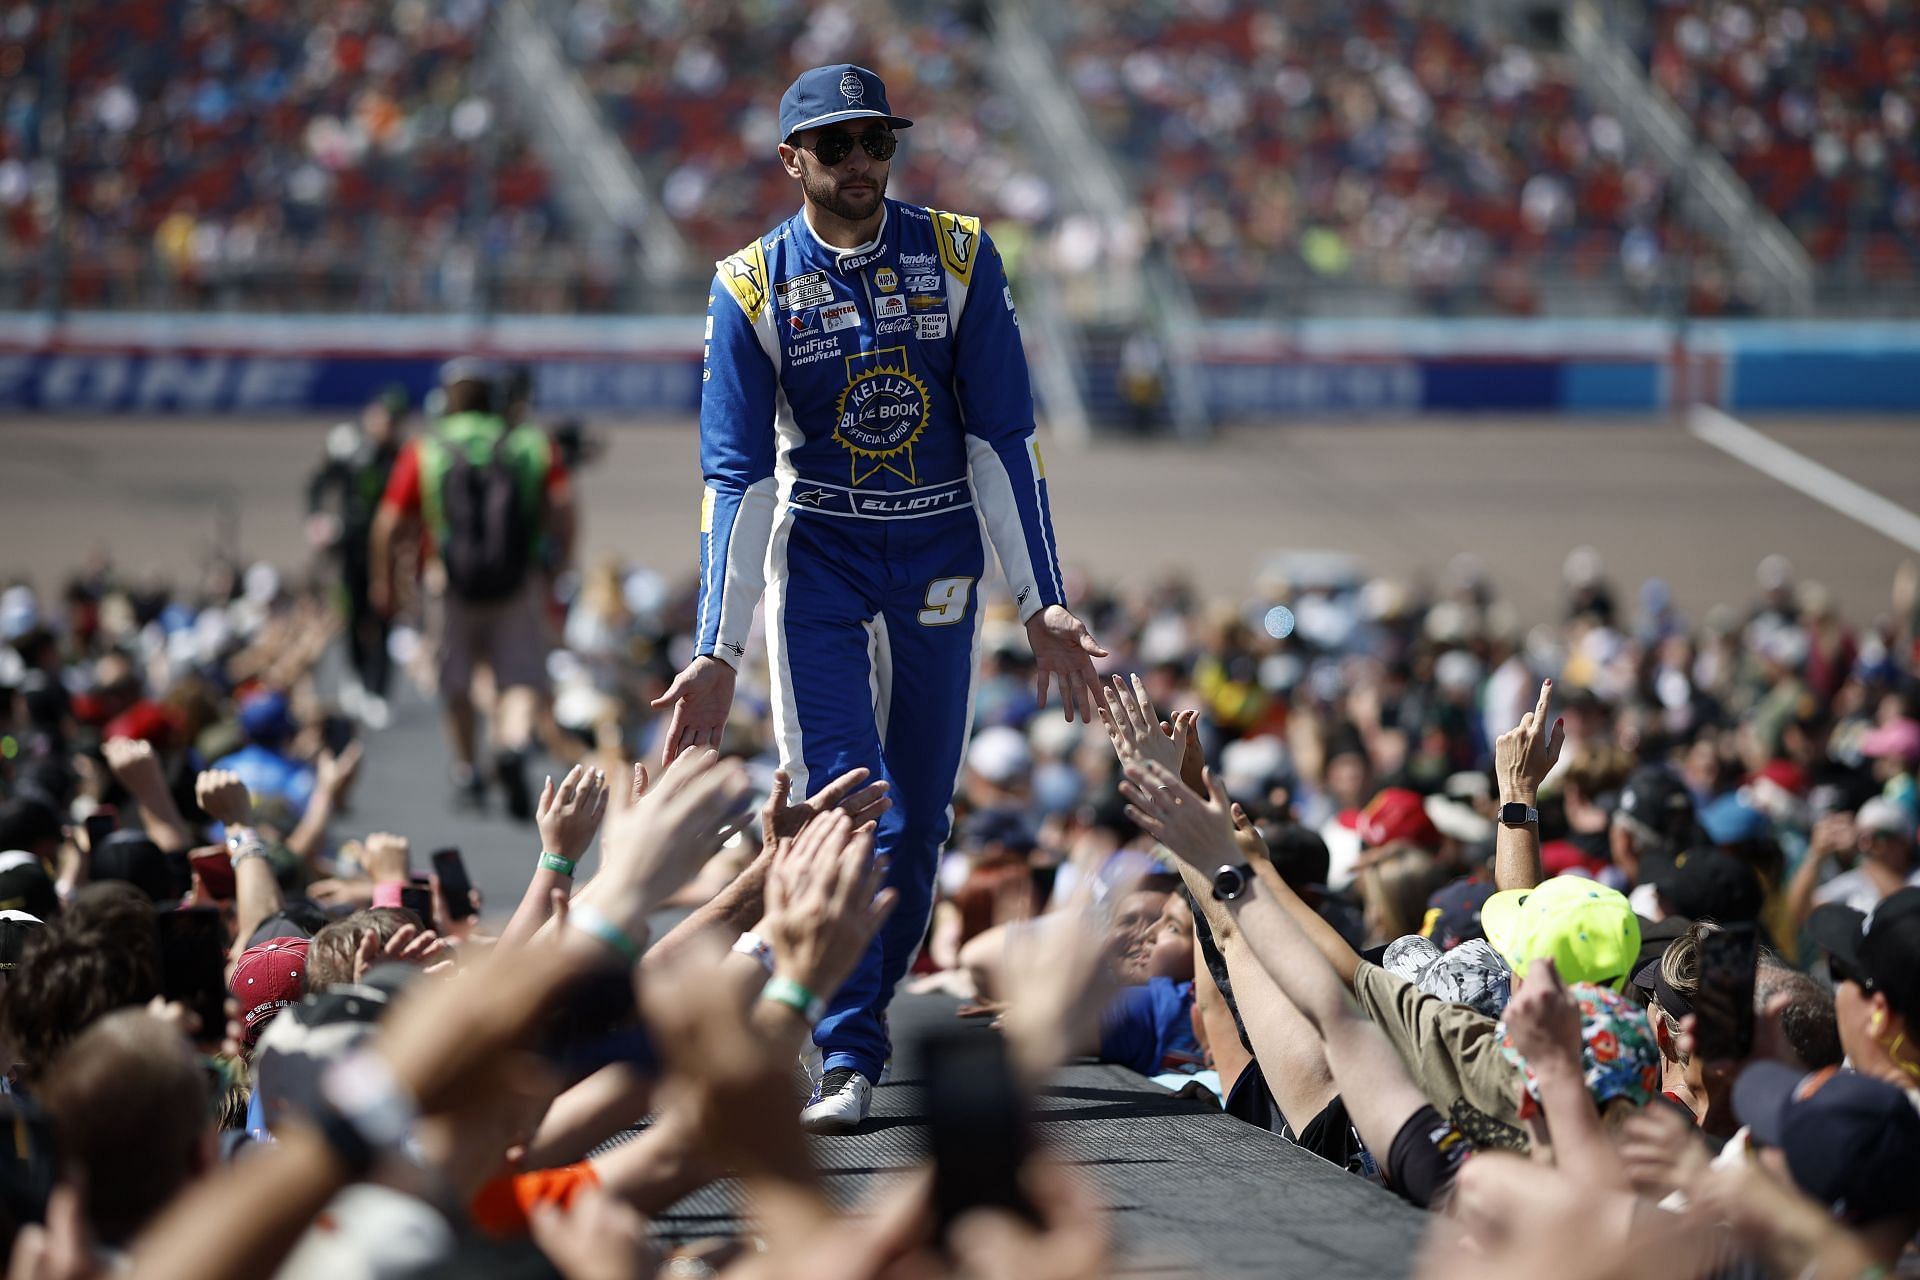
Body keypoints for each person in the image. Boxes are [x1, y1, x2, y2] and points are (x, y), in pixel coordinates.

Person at [652, 63, 1105, 1131]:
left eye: (878, 142)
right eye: (839, 144)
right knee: (846, 810)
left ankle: (844, 981)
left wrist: (1042, 598)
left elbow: (1004, 437)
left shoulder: (957, 252)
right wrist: (717, 650)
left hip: (942, 556)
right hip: (820, 564)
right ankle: (847, 1052)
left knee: (921, 824)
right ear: (792, 160)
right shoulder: (749, 283)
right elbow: (738, 478)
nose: (863, 164)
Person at [370, 359, 574, 818]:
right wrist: (556, 563)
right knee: (520, 676)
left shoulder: (427, 448)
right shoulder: (530, 443)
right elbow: (563, 505)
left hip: (448, 582)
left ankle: (467, 768)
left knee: (455, 678)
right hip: (516, 579)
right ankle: (515, 742)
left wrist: (386, 583)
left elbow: (388, 525)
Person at [306, 386, 409, 730]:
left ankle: (378, 691)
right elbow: (318, 484)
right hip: (351, 549)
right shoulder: (351, 450)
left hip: (388, 554)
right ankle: (356, 677)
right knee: (353, 616)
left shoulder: (401, 458)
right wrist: (318, 519)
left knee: (383, 619)